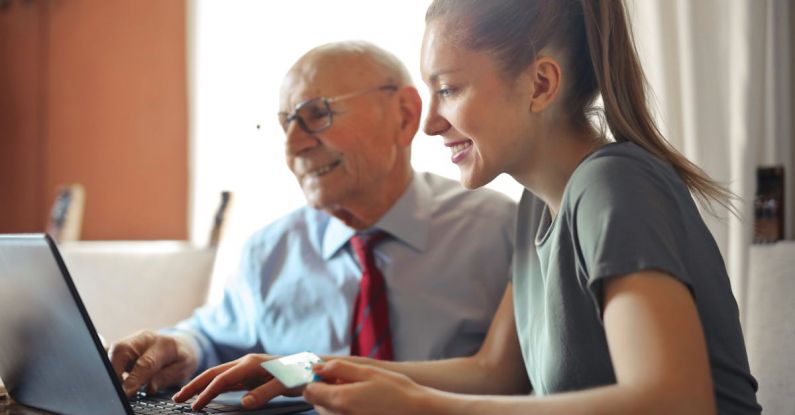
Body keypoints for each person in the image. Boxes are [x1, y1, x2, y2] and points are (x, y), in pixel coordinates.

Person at [172, 1, 763, 414]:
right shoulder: (538, 206)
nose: (429, 123)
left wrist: (420, 407)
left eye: (449, 89)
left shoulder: (614, 187)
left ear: (539, 85)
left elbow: (673, 403)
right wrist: (300, 369)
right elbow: (494, 372)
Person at [108, 41, 516, 402]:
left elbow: (515, 379)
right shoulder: (270, 249)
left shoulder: (501, 231)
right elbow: (214, 338)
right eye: (286, 123)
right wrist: (180, 347)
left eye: (316, 114)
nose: (293, 146)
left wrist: (304, 370)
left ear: (405, 115)